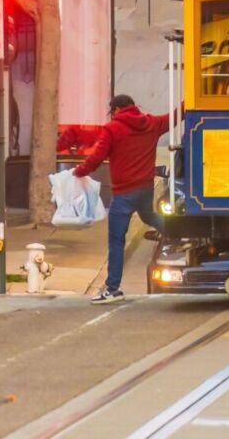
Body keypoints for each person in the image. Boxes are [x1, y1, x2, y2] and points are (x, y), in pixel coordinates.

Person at [68, 94, 170, 304]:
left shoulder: (112, 129)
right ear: (134, 106)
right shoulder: (152, 123)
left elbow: (96, 158)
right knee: (150, 216)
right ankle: (180, 231)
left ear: (115, 110)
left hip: (123, 194)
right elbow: (173, 117)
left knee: (116, 241)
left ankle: (113, 288)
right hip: (145, 189)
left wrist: (78, 172)